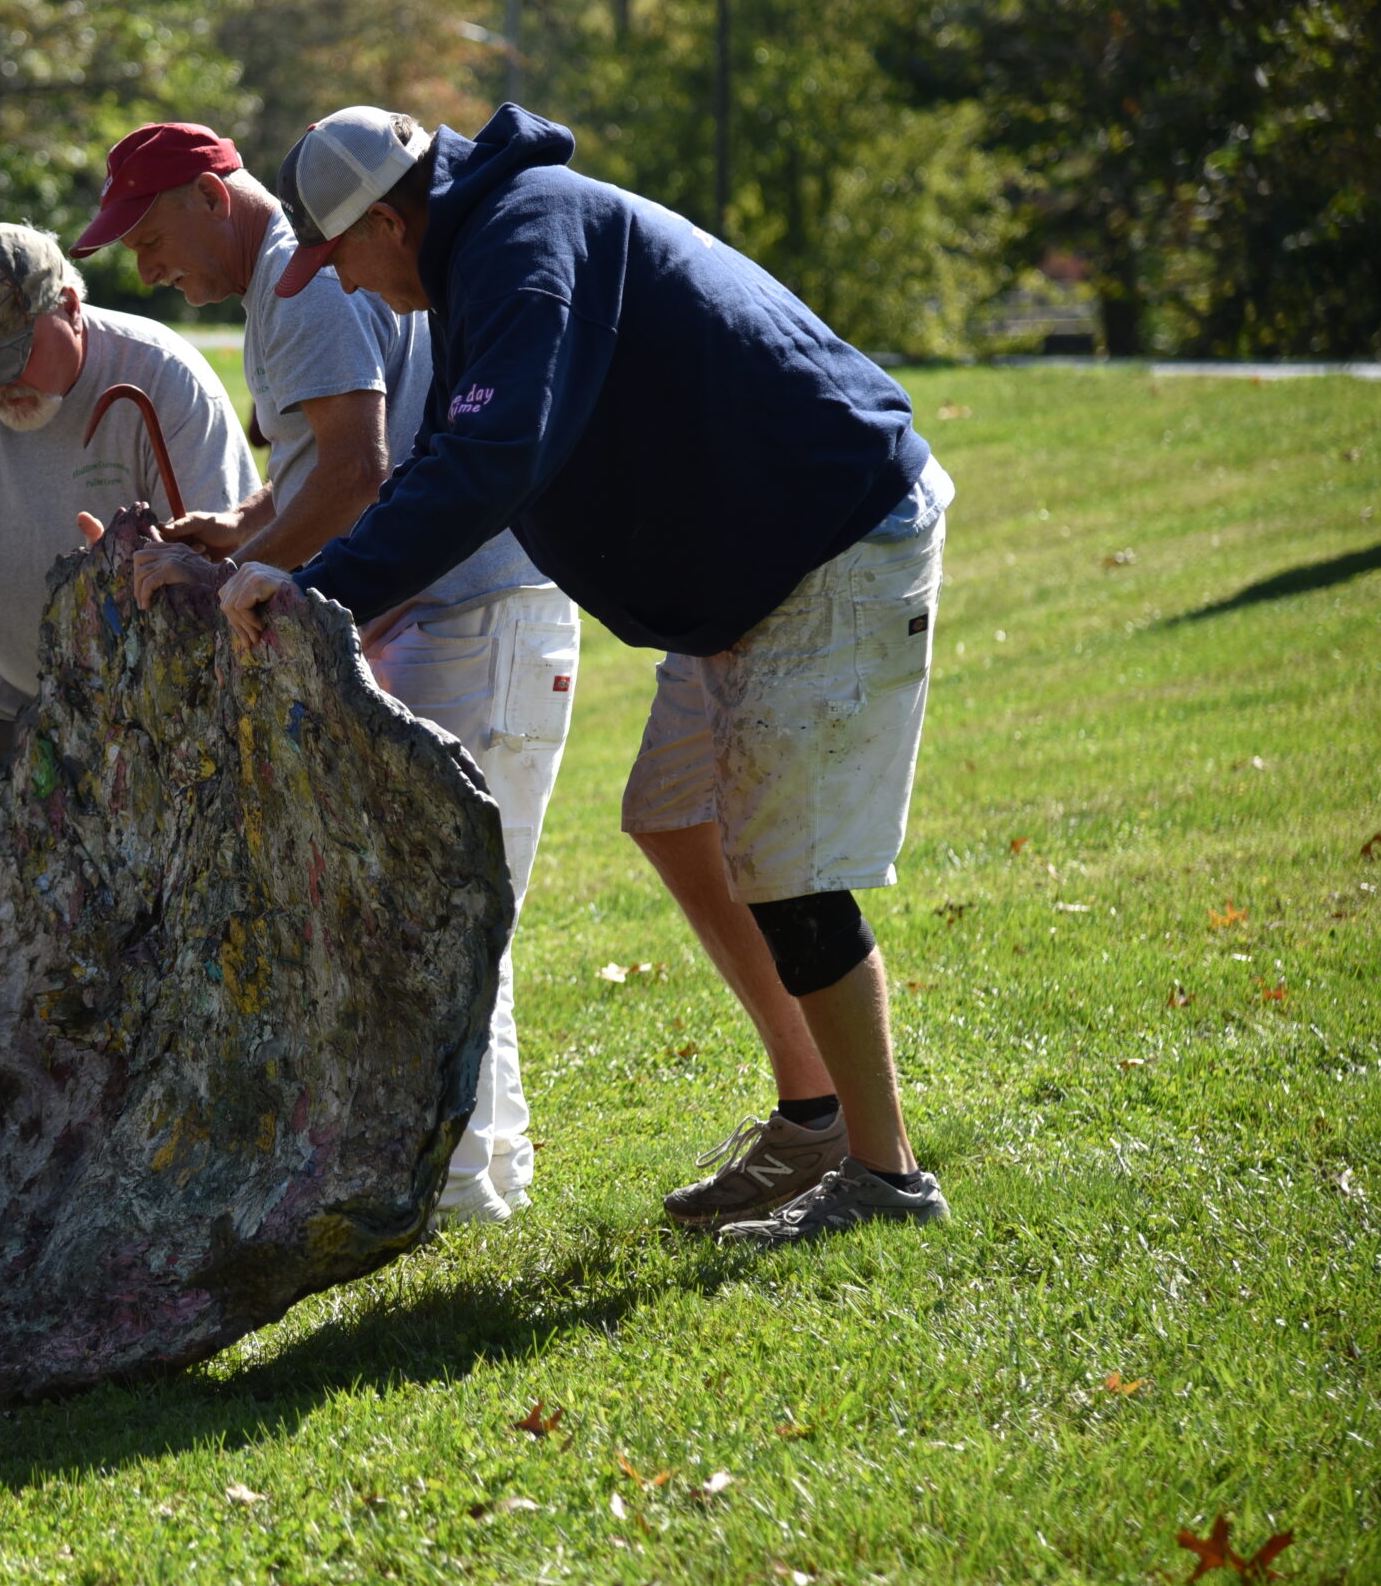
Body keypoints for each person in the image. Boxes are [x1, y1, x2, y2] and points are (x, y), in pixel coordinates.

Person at [224, 104, 959, 1246]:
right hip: (747, 568)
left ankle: (885, 1174)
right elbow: (460, 455)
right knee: (675, 816)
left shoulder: (523, 238)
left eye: (344, 258)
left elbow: (493, 457)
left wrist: (324, 593)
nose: (352, 287)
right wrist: (325, 571)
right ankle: (815, 1114)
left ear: (385, 219)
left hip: (828, 533)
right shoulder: (488, 252)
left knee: (790, 871)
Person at [68, 120, 577, 1227]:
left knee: (434, 914)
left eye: (151, 235)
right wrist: (245, 521)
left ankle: (451, 1195)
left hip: (464, 620)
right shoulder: (284, 283)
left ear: (212, 194)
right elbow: (327, 470)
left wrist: (230, 573)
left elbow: (356, 474)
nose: (148, 269)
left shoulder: (293, 287)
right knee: (461, 910)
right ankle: (481, 1184)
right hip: (480, 616)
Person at [0, 223, 257, 861]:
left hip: (153, 704)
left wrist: (137, 567)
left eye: (13, 355)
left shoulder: (164, 377)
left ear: (69, 306)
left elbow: (233, 565)